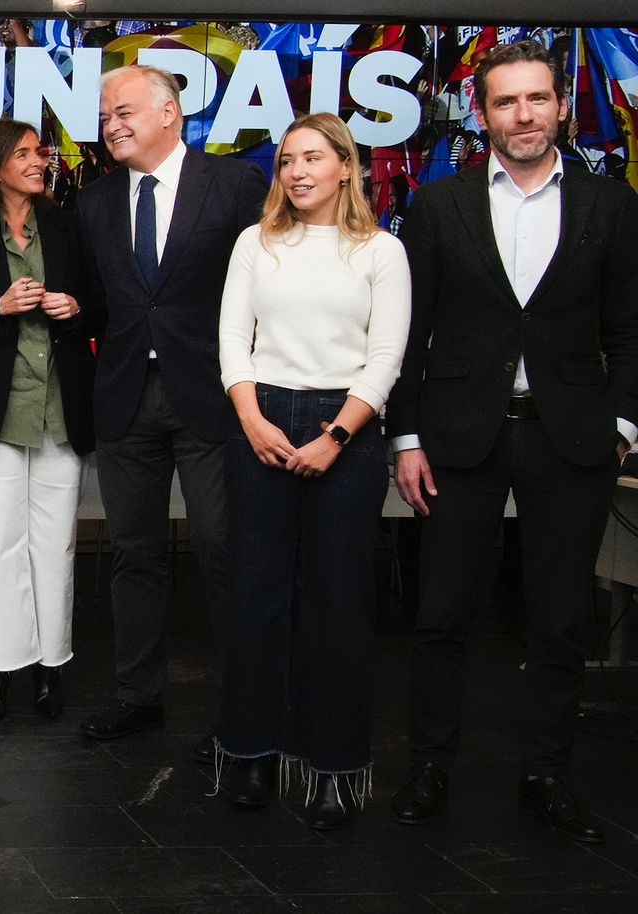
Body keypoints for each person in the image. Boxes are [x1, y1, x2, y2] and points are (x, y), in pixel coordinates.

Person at [387, 40, 638, 844]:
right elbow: (407, 332)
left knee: (561, 618)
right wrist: (406, 436)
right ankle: (430, 766)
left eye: (536, 99)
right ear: (483, 113)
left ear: (561, 106)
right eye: (505, 102)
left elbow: (631, 329)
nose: (522, 115)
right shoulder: (440, 205)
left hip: (572, 439)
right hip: (458, 436)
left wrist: (622, 426)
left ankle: (546, 776)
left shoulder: (611, 205)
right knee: (442, 613)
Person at [212, 113, 410, 828]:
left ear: (346, 166)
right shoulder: (255, 242)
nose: (297, 172)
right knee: (255, 594)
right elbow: (232, 339)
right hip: (261, 417)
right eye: (288, 160)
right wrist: (251, 418)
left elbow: (386, 358)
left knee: (338, 600)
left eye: (313, 158)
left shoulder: (381, 250)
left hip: (346, 426)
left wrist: (336, 436)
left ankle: (334, 769)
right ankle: (252, 753)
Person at [76, 65, 268, 755]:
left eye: (123, 111)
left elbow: (266, 287)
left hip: (214, 395)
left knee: (223, 548)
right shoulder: (95, 202)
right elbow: (102, 300)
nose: (112, 126)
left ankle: (244, 706)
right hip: (126, 396)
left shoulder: (235, 185)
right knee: (135, 554)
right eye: (105, 117)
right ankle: (138, 696)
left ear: (169, 113)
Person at [0, 119, 98, 725]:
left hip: (60, 410)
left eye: (41, 151)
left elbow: (100, 308)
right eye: (25, 153)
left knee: (55, 546)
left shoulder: (68, 230)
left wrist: (75, 307)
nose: (39, 161)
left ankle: (52, 668)